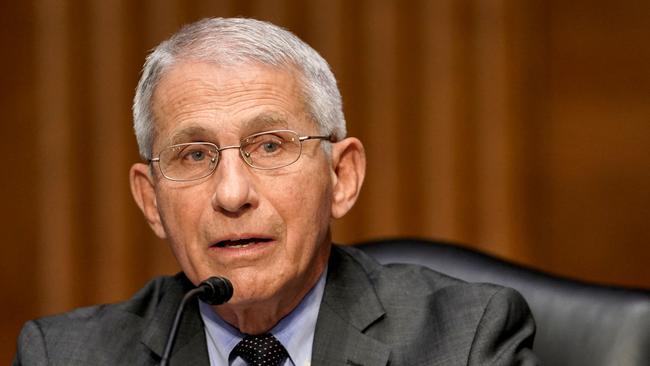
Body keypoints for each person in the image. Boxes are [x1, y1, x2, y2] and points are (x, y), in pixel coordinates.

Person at [13, 17, 537, 365]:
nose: (233, 193)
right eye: (194, 155)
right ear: (152, 201)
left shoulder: (465, 341)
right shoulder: (61, 355)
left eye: (269, 147)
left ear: (342, 177)